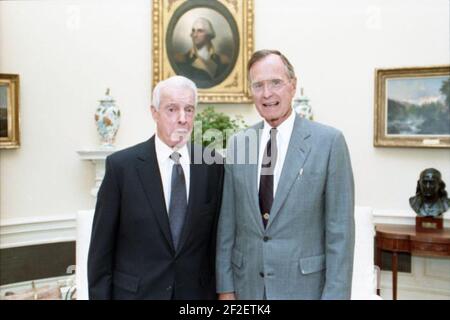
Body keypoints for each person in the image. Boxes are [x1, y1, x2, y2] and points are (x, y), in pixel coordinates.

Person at [216, 50, 355, 300]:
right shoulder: (238, 144)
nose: (267, 93)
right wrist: (225, 289)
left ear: (292, 85)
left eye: (275, 83)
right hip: (247, 289)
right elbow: (227, 225)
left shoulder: (329, 142)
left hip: (304, 290)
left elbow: (340, 233)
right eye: (258, 85)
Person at [88, 76, 224, 299]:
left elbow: (217, 242)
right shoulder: (122, 167)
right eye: (172, 109)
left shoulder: (212, 165)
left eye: (189, 110)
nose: (182, 119)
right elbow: (100, 254)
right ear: (154, 113)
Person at [174, 17, 230, 88]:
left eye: (200, 31)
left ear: (209, 35)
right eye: (193, 31)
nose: (195, 35)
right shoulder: (182, 60)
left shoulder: (222, 61)